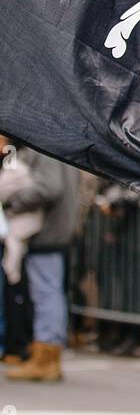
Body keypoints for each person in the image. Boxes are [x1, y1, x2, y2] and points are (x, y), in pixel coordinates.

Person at [4, 144, 79, 383]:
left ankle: (46, 357)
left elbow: (48, 187)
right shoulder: (58, 143)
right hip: (53, 231)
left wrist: (15, 201)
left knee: (46, 293)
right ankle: (46, 355)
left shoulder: (46, 146)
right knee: (48, 292)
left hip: (47, 232)